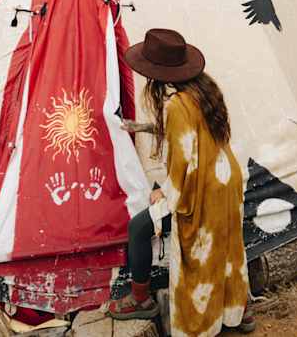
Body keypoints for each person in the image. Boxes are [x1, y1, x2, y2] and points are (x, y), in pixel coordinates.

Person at [107, 28, 253, 335]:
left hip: (202, 186)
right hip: (227, 180)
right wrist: (145, 127)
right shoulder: (204, 90)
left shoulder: (176, 105)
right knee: (225, 246)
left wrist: (166, 192)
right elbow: (196, 137)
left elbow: (185, 157)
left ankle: (141, 298)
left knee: (140, 228)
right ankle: (236, 309)